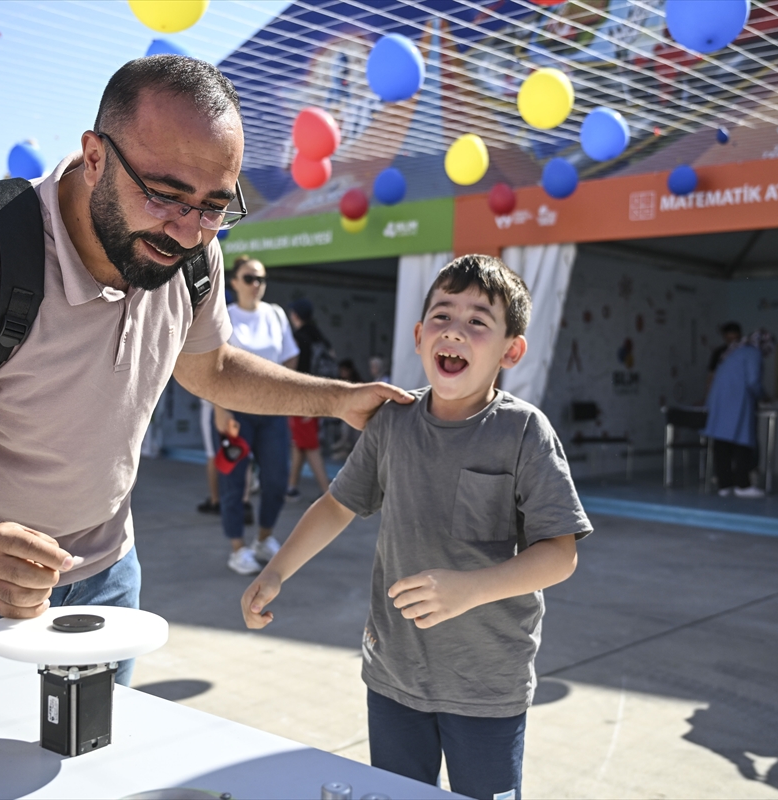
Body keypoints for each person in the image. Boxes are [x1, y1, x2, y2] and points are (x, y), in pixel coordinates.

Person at [0, 56, 409, 679]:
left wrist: (339, 399)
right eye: (164, 195)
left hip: (108, 571)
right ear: (94, 157)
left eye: (214, 206)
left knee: (99, 744)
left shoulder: (193, 255)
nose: (188, 231)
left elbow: (213, 369)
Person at [241, 254, 591, 798]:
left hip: (486, 684)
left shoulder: (524, 431)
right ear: (418, 335)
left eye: (478, 321)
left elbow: (560, 554)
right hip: (393, 676)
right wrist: (276, 571)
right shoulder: (393, 421)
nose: (455, 331)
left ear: (511, 351)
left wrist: (469, 588)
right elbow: (337, 505)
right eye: (442, 315)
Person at [214, 255, 300, 575]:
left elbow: (290, 356)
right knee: (235, 481)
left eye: (261, 279)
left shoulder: (275, 314)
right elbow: (212, 366)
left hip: (272, 408)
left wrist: (284, 389)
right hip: (236, 410)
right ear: (235, 282)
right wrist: (219, 409)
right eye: (249, 278)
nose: (256, 285)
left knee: (277, 479)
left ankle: (263, 538)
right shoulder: (224, 316)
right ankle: (238, 548)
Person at [704, 330, 773, 498]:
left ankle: (724, 485)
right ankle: (743, 485)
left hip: (719, 401)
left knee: (722, 443)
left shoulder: (735, 351)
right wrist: (764, 396)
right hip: (737, 401)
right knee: (743, 443)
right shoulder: (753, 353)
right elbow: (753, 381)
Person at [286, 297, 332, 500]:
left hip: (301, 397)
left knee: (310, 446)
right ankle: (292, 487)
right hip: (319, 394)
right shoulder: (320, 337)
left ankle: (328, 492)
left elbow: (292, 369)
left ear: (295, 315)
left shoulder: (297, 338)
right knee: (300, 442)